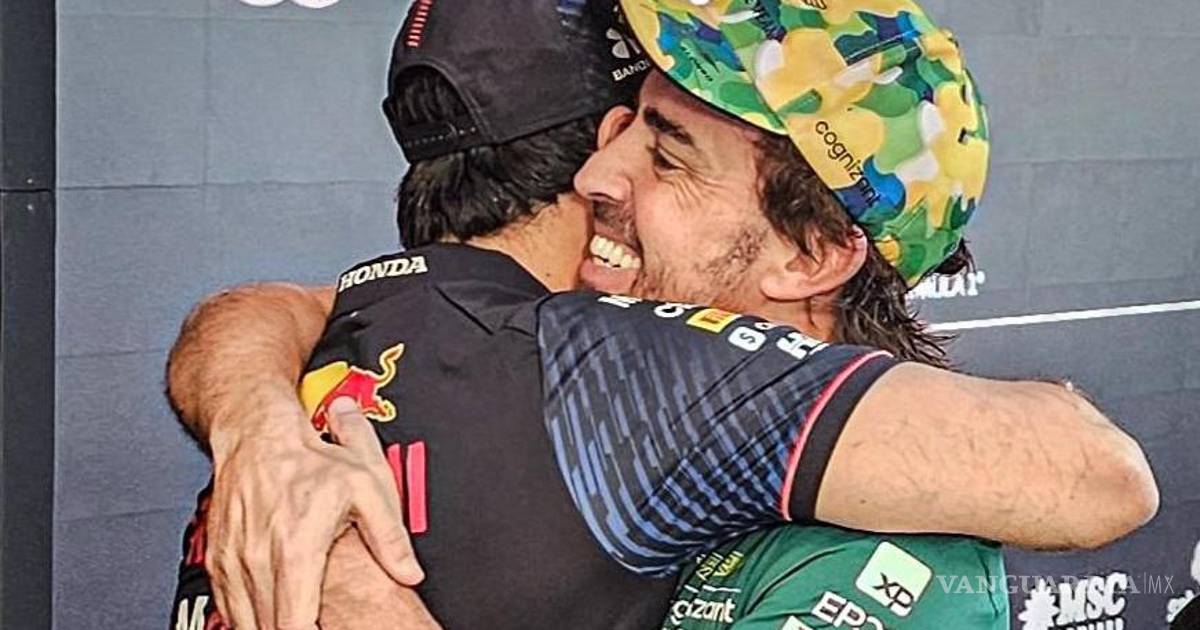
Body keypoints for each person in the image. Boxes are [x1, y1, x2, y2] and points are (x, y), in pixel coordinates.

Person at [167, 1, 1158, 629]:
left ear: (811, 254)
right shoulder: (579, 382)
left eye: (669, 154)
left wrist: (355, 596)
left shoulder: (893, 572)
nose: (597, 177)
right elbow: (297, 305)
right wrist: (259, 427)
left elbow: (1097, 472)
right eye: (620, 126)